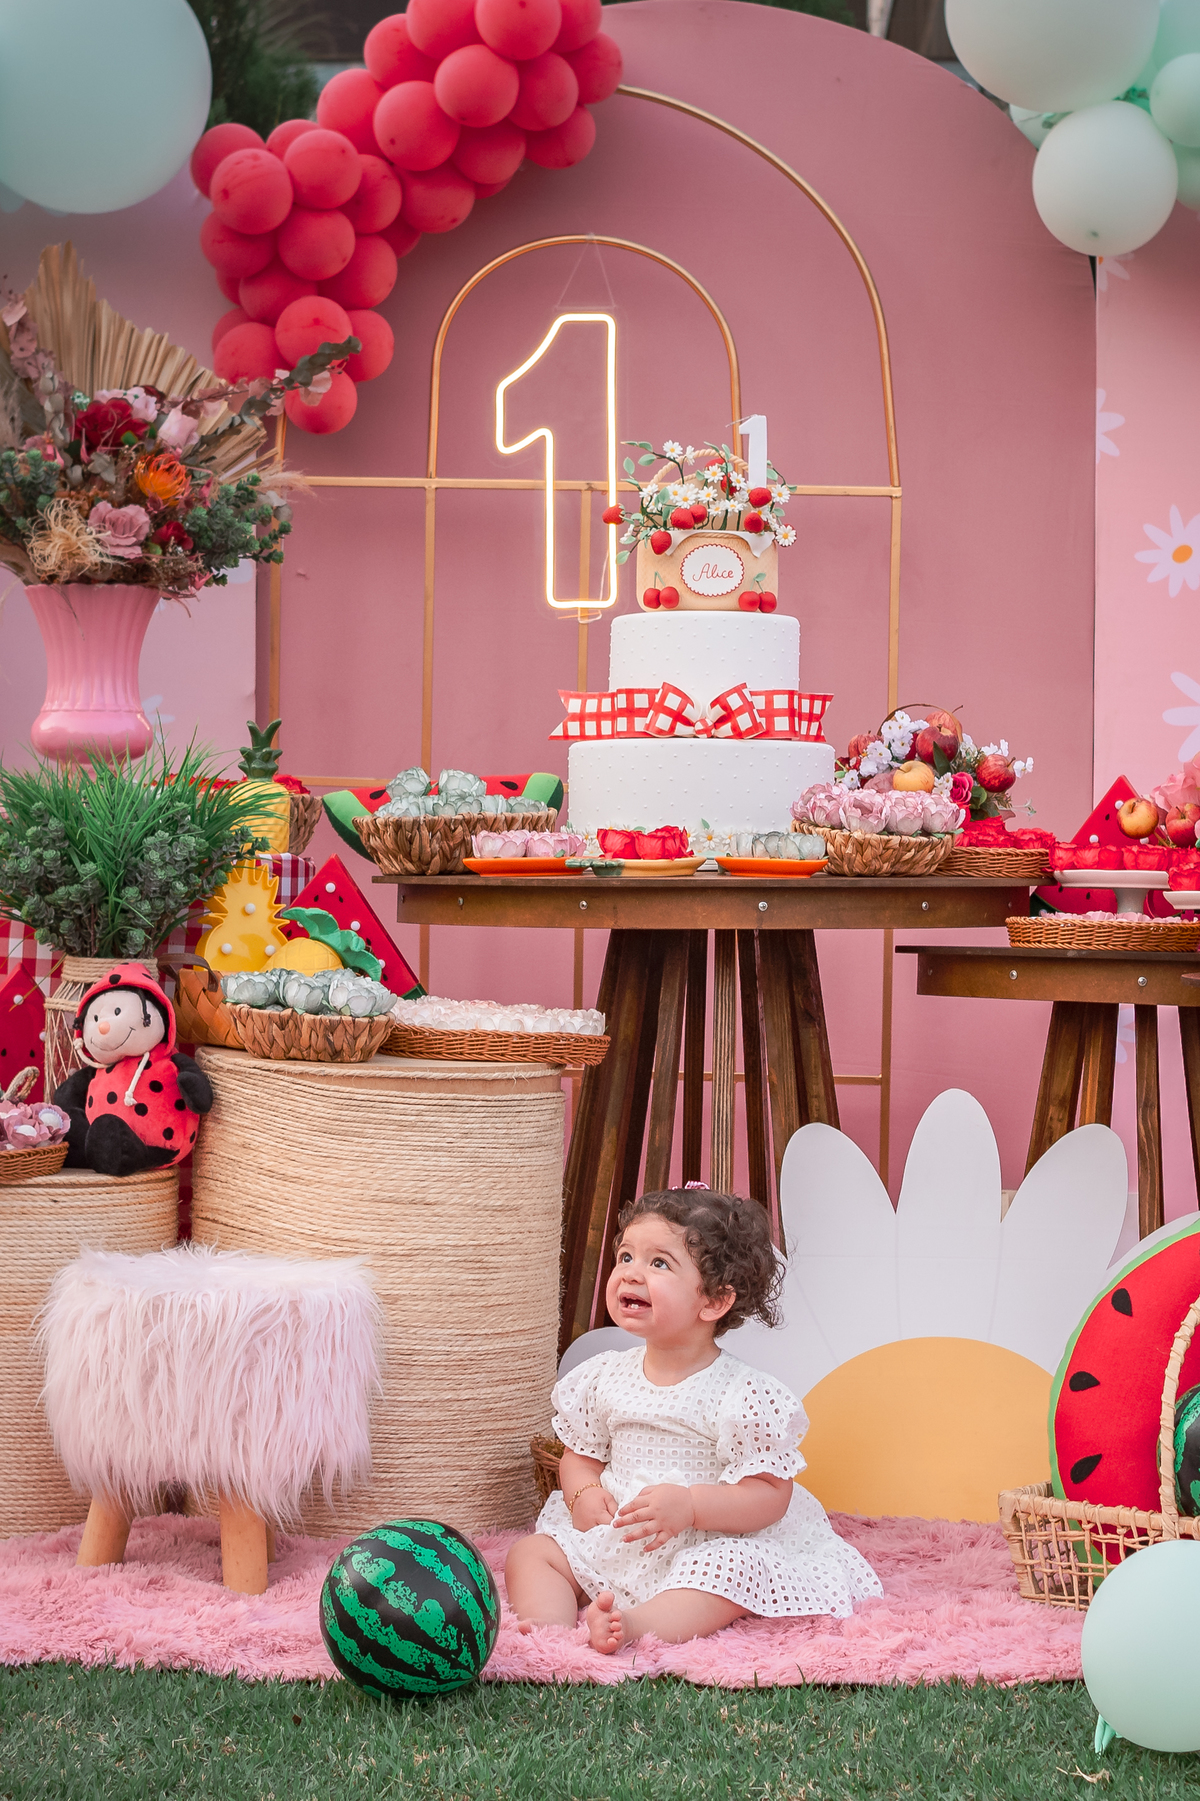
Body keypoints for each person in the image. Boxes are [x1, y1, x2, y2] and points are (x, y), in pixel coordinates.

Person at [506, 1186, 882, 1653]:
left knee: (730, 1573)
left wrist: (691, 1506)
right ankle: (549, 1637)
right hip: (621, 1530)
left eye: (659, 1263)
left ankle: (635, 1624)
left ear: (714, 1301)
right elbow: (580, 1455)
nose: (631, 1273)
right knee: (532, 1552)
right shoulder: (603, 1377)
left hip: (703, 1539)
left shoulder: (739, 1393)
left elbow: (769, 1494)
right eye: (626, 1256)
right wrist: (582, 1494)